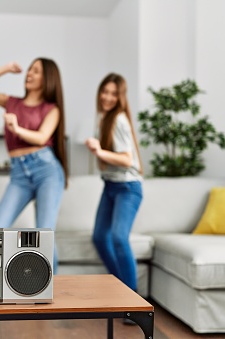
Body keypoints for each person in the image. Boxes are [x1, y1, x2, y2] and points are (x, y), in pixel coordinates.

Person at [0, 59, 68, 272]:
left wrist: (16, 129)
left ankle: (52, 291)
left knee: (44, 233)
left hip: (47, 170)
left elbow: (42, 137)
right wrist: (4, 68)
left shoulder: (52, 109)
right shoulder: (11, 102)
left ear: (48, 79)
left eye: (36, 71)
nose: (29, 74)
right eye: (29, 70)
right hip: (19, 174)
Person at [85, 73, 143, 299]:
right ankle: (122, 289)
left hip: (128, 188)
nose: (107, 97)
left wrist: (99, 151)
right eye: (105, 91)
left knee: (119, 237)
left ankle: (132, 297)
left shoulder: (118, 118)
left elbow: (127, 159)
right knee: (100, 237)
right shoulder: (104, 118)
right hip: (110, 185)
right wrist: (98, 150)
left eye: (113, 93)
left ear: (120, 97)